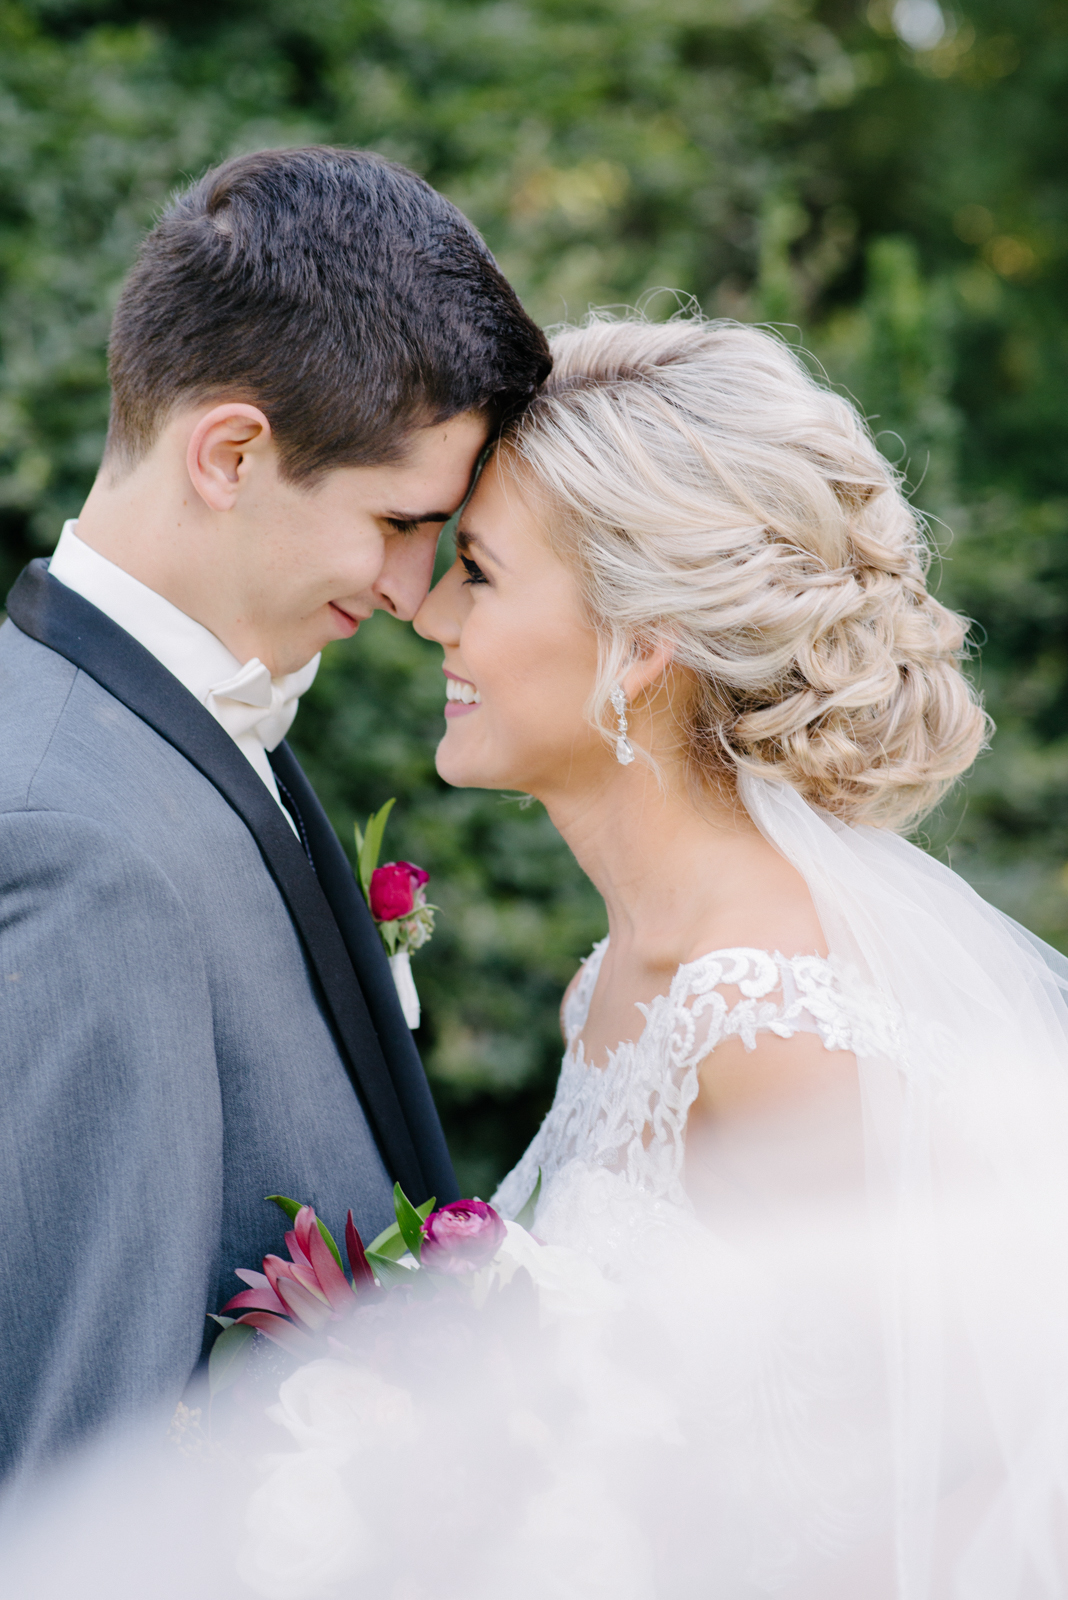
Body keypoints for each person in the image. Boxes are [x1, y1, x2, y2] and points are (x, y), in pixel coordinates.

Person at [0, 144, 550, 1482]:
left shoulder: (172, 724)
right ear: (231, 451)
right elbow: (86, 1470)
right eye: (399, 522)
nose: (418, 594)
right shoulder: (82, 847)